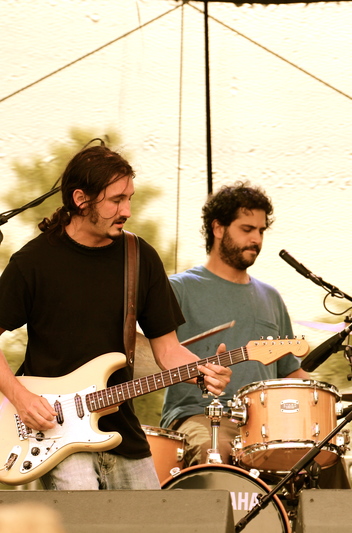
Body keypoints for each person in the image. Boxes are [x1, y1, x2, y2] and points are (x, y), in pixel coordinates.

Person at [0, 142, 231, 490]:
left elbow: (167, 350)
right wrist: (21, 397)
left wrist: (203, 371)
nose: (127, 210)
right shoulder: (33, 262)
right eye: (116, 200)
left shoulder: (140, 257)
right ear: (81, 199)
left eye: (130, 198)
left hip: (122, 429)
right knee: (85, 518)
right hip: (54, 434)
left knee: (150, 516)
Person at [160, 182, 309, 467]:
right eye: (247, 229)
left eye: (261, 231)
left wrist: (331, 401)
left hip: (266, 424)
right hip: (198, 416)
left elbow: (290, 372)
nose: (256, 239)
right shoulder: (178, 289)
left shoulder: (270, 297)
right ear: (218, 228)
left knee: (323, 455)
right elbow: (145, 356)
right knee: (213, 450)